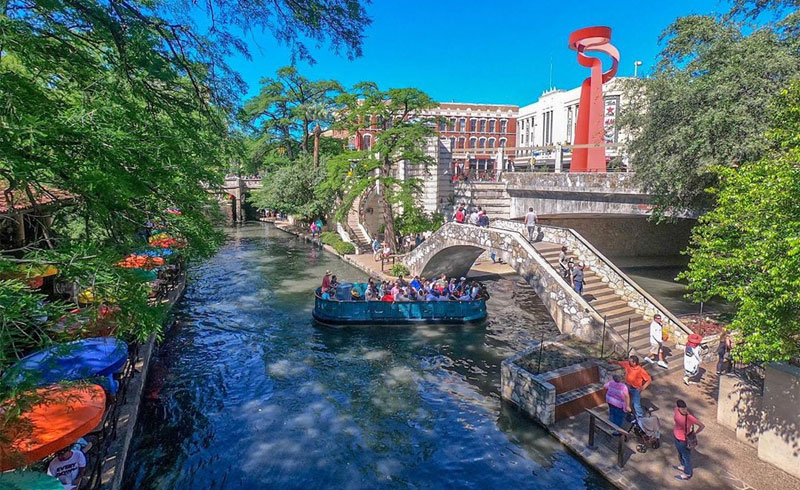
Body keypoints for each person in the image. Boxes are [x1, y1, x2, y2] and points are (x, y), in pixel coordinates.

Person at [673, 399, 704, 481]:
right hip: (676, 437)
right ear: (678, 408)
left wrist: (695, 433)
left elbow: (702, 426)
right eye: (682, 409)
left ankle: (687, 474)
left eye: (685, 408)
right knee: (680, 453)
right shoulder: (676, 410)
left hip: (684, 440)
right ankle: (683, 466)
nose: (684, 410)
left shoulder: (689, 417)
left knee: (686, 457)